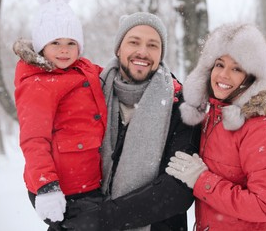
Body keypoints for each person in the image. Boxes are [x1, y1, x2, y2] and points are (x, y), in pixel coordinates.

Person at [15, 12, 200, 230]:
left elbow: (178, 190)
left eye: (153, 45)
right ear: (119, 49)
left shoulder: (181, 105)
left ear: (161, 54)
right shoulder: (90, 90)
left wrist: (104, 218)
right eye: (134, 42)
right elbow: (43, 149)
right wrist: (49, 201)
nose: (143, 51)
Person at [166, 23, 266, 231]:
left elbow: (264, 205)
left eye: (236, 68)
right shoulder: (212, 117)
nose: (223, 75)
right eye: (219, 64)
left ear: (252, 77)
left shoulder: (262, 130)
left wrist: (201, 180)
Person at [14, 0, 107, 231]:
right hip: (64, 189)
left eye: (71, 43)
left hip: (92, 183)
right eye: (55, 42)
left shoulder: (86, 70)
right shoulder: (38, 84)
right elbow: (34, 140)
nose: (64, 50)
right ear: (42, 46)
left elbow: (117, 77)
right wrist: (46, 186)